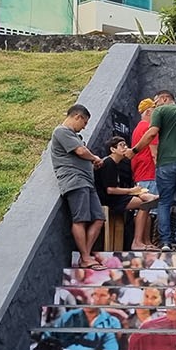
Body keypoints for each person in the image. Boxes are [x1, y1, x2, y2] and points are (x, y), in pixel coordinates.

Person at [132, 92, 176, 253]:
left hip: (166, 163)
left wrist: (134, 150)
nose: (155, 105)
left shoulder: (160, 112)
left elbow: (151, 134)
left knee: (165, 202)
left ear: (165, 99)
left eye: (156, 101)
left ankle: (165, 242)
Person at [49, 104, 106, 269]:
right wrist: (94, 158)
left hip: (87, 181)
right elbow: (81, 152)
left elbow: (81, 153)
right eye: (85, 122)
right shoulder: (61, 131)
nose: (84, 126)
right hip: (75, 180)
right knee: (80, 219)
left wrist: (92, 163)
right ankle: (86, 257)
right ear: (77, 117)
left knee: (99, 218)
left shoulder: (75, 136)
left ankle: (85, 256)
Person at [95, 135, 159, 251]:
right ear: (112, 149)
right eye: (121, 145)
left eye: (126, 145)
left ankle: (143, 241)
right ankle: (137, 242)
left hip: (116, 197)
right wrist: (130, 191)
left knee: (146, 201)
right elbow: (110, 189)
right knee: (144, 204)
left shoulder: (117, 164)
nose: (125, 147)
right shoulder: (109, 163)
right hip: (109, 199)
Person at [48, 286, 120, 350]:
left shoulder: (109, 323)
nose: (94, 299)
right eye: (93, 295)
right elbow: (49, 336)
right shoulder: (70, 317)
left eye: (101, 295)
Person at [129, 97, 161, 249]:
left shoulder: (138, 127)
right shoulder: (149, 127)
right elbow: (154, 152)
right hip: (149, 172)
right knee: (145, 207)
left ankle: (146, 241)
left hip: (141, 172)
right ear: (149, 111)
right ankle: (138, 241)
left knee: (149, 210)